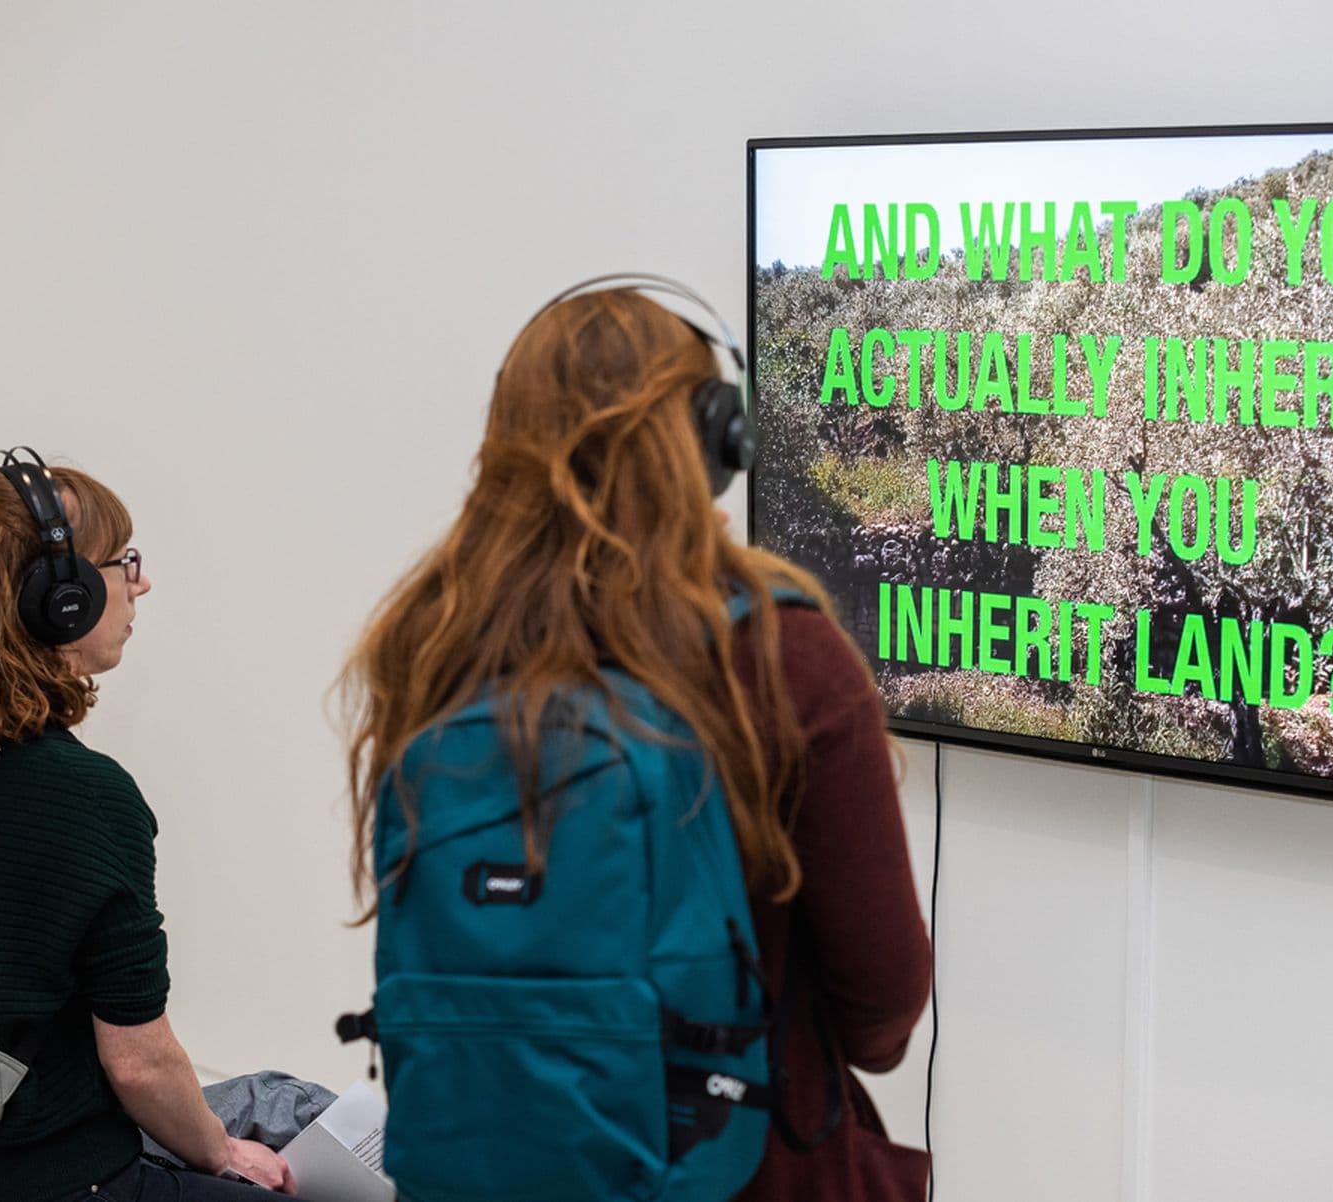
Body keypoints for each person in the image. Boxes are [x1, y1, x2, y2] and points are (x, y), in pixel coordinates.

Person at [343, 283, 933, 1200]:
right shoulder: (782, 656)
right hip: (742, 1165)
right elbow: (881, 1011)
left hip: (484, 1168)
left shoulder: (429, 644)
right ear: (717, 440)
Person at [0, 449, 297, 1202]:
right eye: (125, 561)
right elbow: (139, 1064)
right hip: (72, 1178)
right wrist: (225, 1156)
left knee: (277, 1097)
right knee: (295, 1137)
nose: (141, 582)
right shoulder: (85, 792)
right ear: (62, 599)